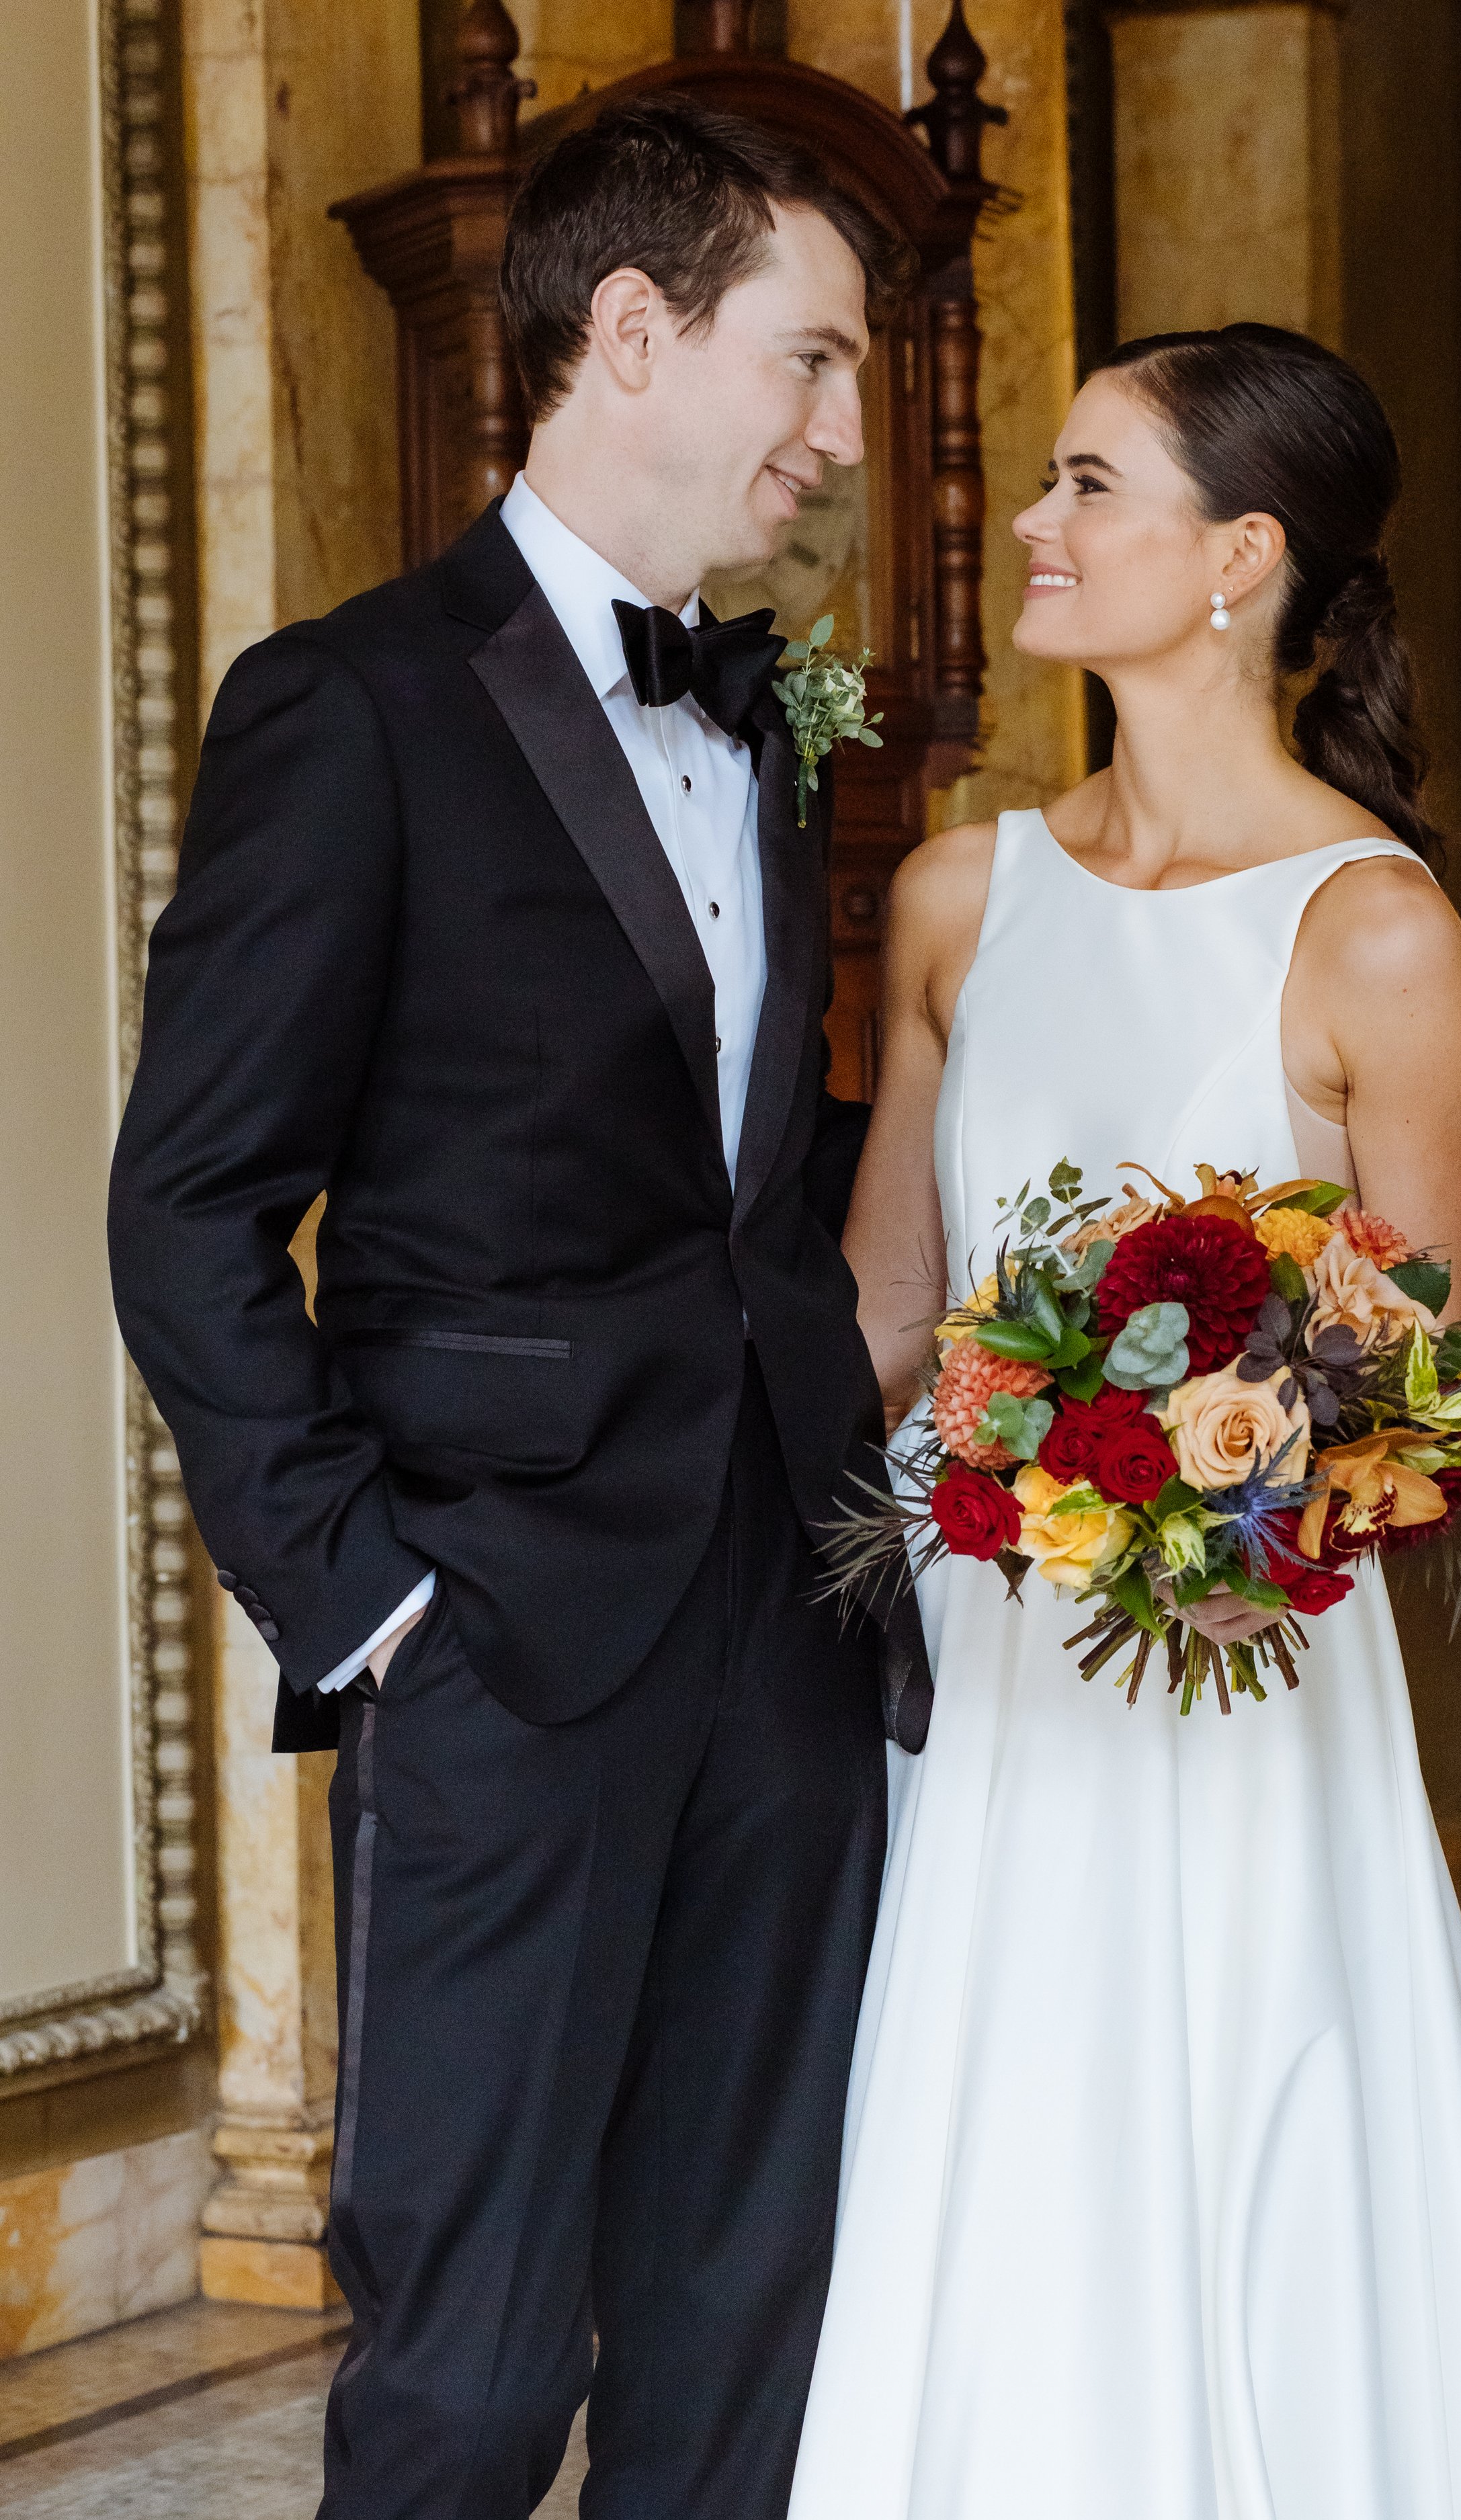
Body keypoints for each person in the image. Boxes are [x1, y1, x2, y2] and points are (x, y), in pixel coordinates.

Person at [108, 97, 927, 2520]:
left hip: (786, 1619)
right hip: (493, 1637)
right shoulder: (345, 706)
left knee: (740, 2327)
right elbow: (188, 1208)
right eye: (812, 363)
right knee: (466, 2373)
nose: (843, 433)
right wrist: (369, 1611)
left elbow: (743, 1197)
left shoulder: (770, 719)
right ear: (636, 333)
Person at [789, 325, 1461, 2519]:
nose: (1028, 530)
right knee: (1003, 2113)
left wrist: (1185, 1501)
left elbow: (1406, 1399)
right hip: (991, 1649)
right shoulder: (963, 891)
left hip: (1233, 1667)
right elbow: (890, 1297)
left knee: (1255, 2103)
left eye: (1083, 486)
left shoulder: (1375, 934)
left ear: (1236, 557)